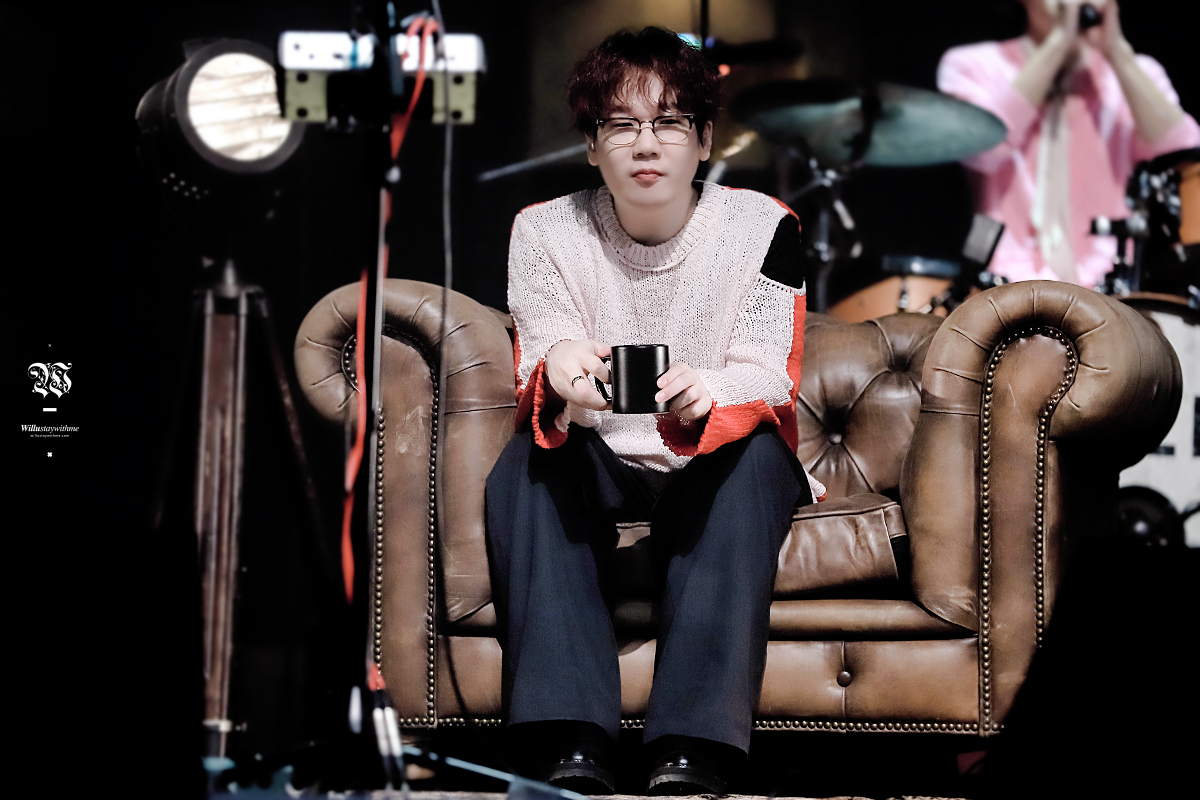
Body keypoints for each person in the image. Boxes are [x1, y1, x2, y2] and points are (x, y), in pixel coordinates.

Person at [484, 26, 826, 796]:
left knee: (755, 455)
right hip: (602, 452)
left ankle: (690, 749)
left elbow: (768, 372)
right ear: (591, 144)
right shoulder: (543, 230)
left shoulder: (765, 227)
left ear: (704, 140)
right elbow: (543, 350)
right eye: (621, 123)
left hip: (715, 456)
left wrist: (712, 393)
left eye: (670, 122)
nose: (646, 144)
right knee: (526, 464)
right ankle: (572, 741)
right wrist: (561, 373)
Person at [937, 0, 1200, 287]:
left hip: (1108, 290)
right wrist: (1058, 44)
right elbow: (984, 150)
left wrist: (1118, 53)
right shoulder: (972, 65)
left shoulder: (1137, 72)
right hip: (1001, 288)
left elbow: (1185, 158)